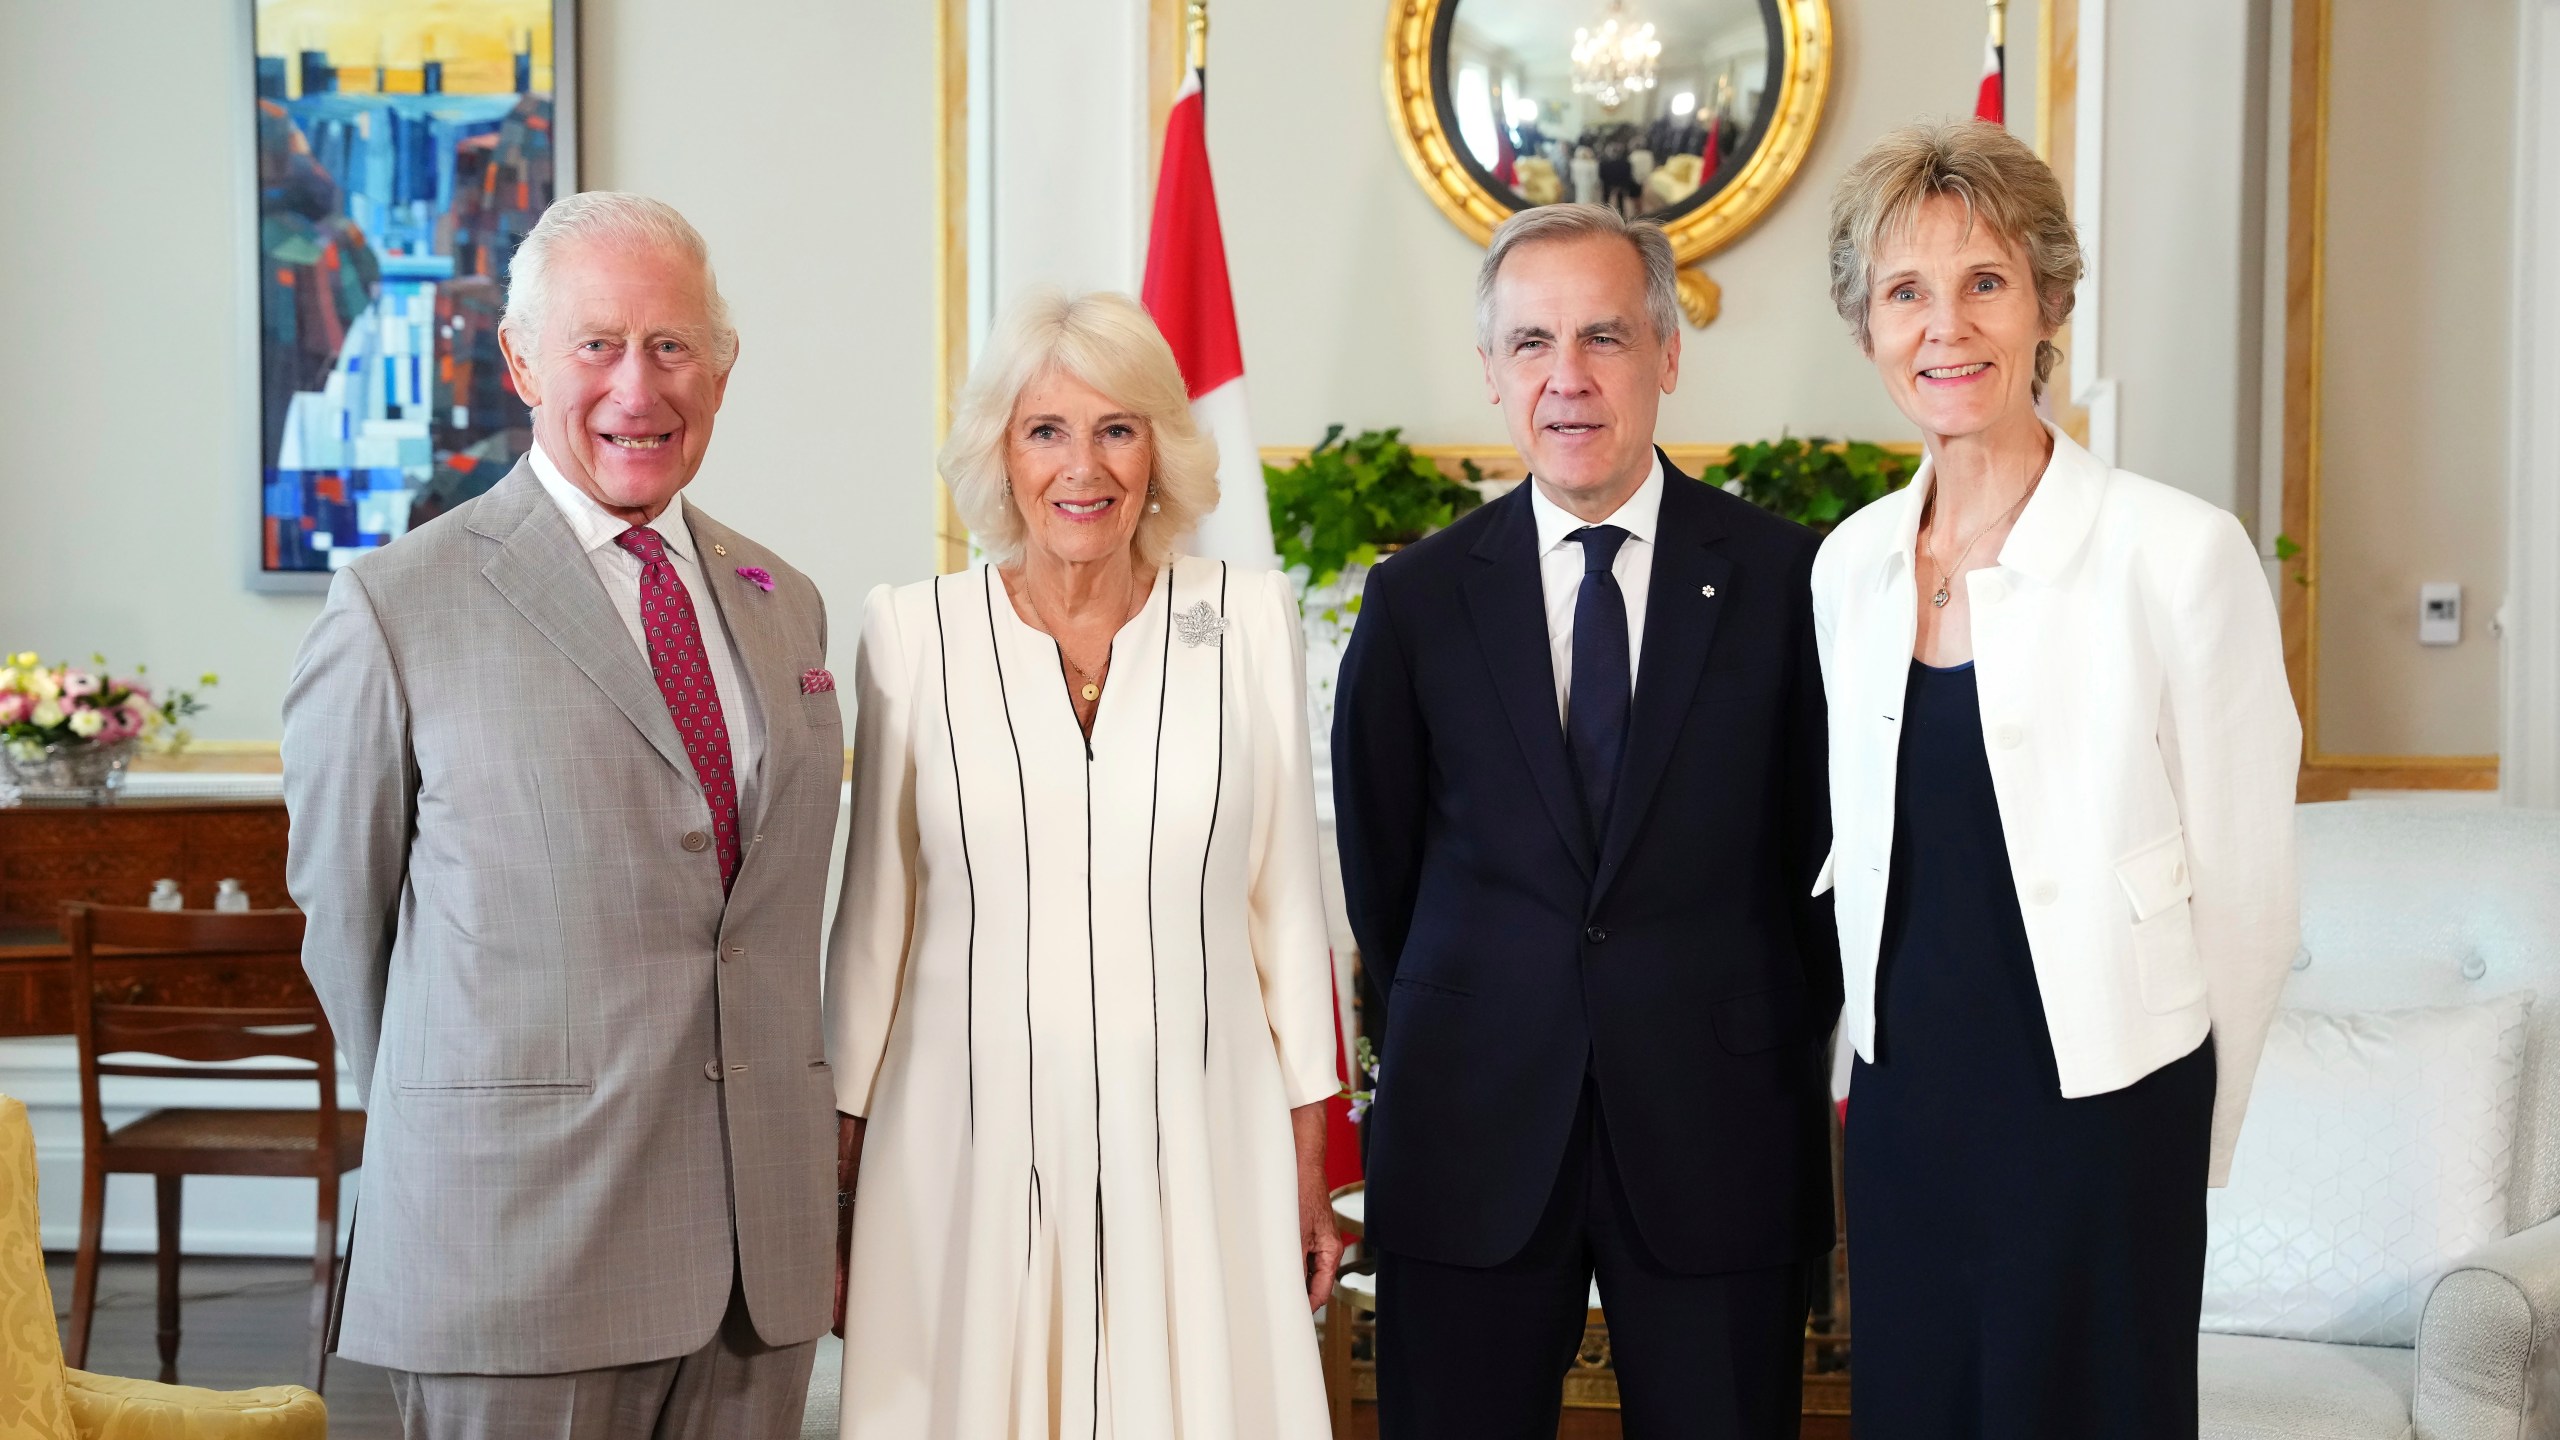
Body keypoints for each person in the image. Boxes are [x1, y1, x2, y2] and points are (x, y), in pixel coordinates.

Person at [282, 192, 839, 1438]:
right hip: (516, 1244)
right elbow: (344, 924)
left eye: (672, 346)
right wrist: (462, 1125)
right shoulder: (397, 605)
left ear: (723, 368)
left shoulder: (781, 600)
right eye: (596, 345)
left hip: (759, 1256)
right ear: (523, 360)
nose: (636, 389)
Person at [1813, 121, 2300, 1436]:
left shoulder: (2179, 554)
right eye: (1907, 291)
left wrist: (2192, 1128)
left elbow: (2250, 890)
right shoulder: (1847, 566)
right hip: (1908, 1111)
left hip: (2107, 1103)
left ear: (2048, 306)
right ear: (1868, 325)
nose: (1946, 327)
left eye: (1985, 281)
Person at [1333, 202, 1838, 1440]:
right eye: (1531, 344)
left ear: (1667, 355)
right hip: (1473, 1129)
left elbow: (1824, 866)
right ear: (1492, 376)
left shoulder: (1791, 583)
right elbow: (1379, 873)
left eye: (1604, 337)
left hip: (1721, 1133)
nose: (1567, 378)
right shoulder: (1414, 603)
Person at [827, 289, 1340, 1439]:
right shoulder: (910, 634)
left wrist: (1310, 1164)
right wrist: (839, 1189)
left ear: (1158, 447)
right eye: (1045, 430)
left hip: (1203, 1133)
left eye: (1117, 428)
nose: (1084, 466)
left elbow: (1289, 921)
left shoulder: (1247, 619)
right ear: (999, 457)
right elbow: (871, 932)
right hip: (963, 1135)